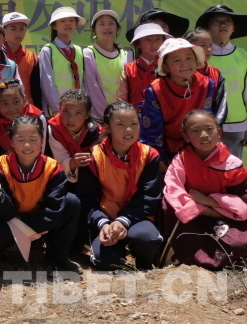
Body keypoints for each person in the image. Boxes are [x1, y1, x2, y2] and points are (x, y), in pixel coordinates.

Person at [0, 116, 82, 274]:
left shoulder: (53, 168)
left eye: (33, 139)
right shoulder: (0, 166)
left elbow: (54, 211)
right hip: (11, 220)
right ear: (11, 142)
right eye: (20, 140)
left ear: (42, 141)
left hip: (38, 219)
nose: (27, 145)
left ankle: (57, 254)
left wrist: (28, 227)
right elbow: (2, 213)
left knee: (71, 202)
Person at [77, 102, 162, 270]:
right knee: (107, 262)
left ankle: (144, 263)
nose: (128, 130)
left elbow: (148, 197)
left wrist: (123, 221)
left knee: (147, 239)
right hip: (105, 217)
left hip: (136, 217)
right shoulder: (93, 156)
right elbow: (86, 199)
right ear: (107, 127)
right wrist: (103, 223)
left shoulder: (149, 155)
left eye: (134, 124)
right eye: (120, 125)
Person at [159, 110, 247, 269]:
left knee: (239, 243)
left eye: (209, 129)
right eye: (195, 131)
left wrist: (210, 202)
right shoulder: (182, 159)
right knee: (166, 206)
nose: (204, 135)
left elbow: (242, 202)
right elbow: (173, 190)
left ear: (219, 133)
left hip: (221, 215)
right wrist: (200, 207)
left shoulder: (232, 165)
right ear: (186, 137)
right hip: (191, 213)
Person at [140, 38, 223, 165]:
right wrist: (159, 159)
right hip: (167, 148)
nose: (185, 64)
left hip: (198, 146)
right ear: (166, 67)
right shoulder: (156, 90)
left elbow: (206, 121)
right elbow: (152, 128)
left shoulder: (206, 84)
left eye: (189, 58)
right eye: (177, 60)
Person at [195, 5, 247, 160]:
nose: (223, 25)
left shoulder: (243, 56)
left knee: (233, 168)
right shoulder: (197, 57)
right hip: (204, 124)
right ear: (207, 28)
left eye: (227, 21)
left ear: (233, 28)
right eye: (217, 21)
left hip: (237, 123)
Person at [45, 89, 102, 183]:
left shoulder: (96, 132)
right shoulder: (54, 130)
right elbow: (59, 162)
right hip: (63, 179)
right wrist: (73, 163)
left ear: (87, 114)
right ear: (59, 109)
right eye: (65, 111)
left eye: (78, 113)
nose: (71, 119)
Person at [38, 7, 87, 116]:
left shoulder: (79, 51)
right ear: (54, 26)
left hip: (76, 112)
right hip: (54, 113)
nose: (68, 23)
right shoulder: (48, 50)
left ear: (76, 24)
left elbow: (83, 82)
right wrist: (59, 110)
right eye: (63, 21)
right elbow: (47, 83)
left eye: (71, 20)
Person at [83, 10, 130, 121]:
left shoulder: (125, 55)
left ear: (117, 29)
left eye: (111, 23)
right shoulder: (88, 53)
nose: (107, 27)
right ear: (93, 30)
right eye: (102, 24)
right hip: (97, 118)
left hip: (120, 116)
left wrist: (120, 113)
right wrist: (106, 116)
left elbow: (127, 88)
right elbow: (92, 88)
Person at [0, 79, 46, 159]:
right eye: (5, 104)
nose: (11, 109)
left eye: (16, 102)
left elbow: (42, 148)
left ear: (24, 99)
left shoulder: (37, 117)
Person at [116, 23, 171, 110]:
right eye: (148, 40)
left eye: (158, 39)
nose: (154, 44)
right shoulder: (129, 69)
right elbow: (122, 100)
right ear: (138, 44)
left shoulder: (168, 68)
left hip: (164, 116)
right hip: (135, 116)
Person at [185, 28, 228, 127]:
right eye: (203, 45)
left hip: (209, 127)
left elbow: (221, 104)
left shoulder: (215, 72)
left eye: (211, 45)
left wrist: (215, 126)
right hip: (182, 126)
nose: (209, 49)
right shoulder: (181, 72)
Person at [2, 12, 41, 107]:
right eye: (13, 29)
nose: (18, 33)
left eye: (22, 29)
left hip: (27, 107)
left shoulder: (31, 57)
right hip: (3, 106)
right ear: (4, 31)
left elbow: (36, 87)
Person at [124, 8, 189, 40]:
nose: (159, 31)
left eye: (163, 27)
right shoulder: (131, 56)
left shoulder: (177, 53)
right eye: (154, 27)